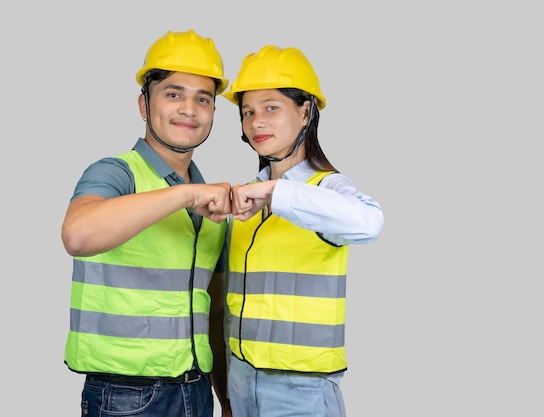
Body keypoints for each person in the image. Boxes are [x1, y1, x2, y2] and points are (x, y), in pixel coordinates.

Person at [61, 29, 233, 417]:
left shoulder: (212, 205)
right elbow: (77, 234)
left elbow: (214, 312)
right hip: (125, 397)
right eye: (174, 93)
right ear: (144, 104)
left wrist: (226, 400)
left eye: (202, 99)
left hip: (197, 390)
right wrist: (186, 195)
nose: (189, 109)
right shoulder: (115, 173)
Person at [221, 45, 385, 417]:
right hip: (242, 381)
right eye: (248, 112)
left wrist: (276, 192)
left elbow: (370, 222)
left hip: (302, 392)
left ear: (306, 111)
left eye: (271, 107)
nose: (256, 121)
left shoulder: (326, 188)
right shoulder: (246, 200)